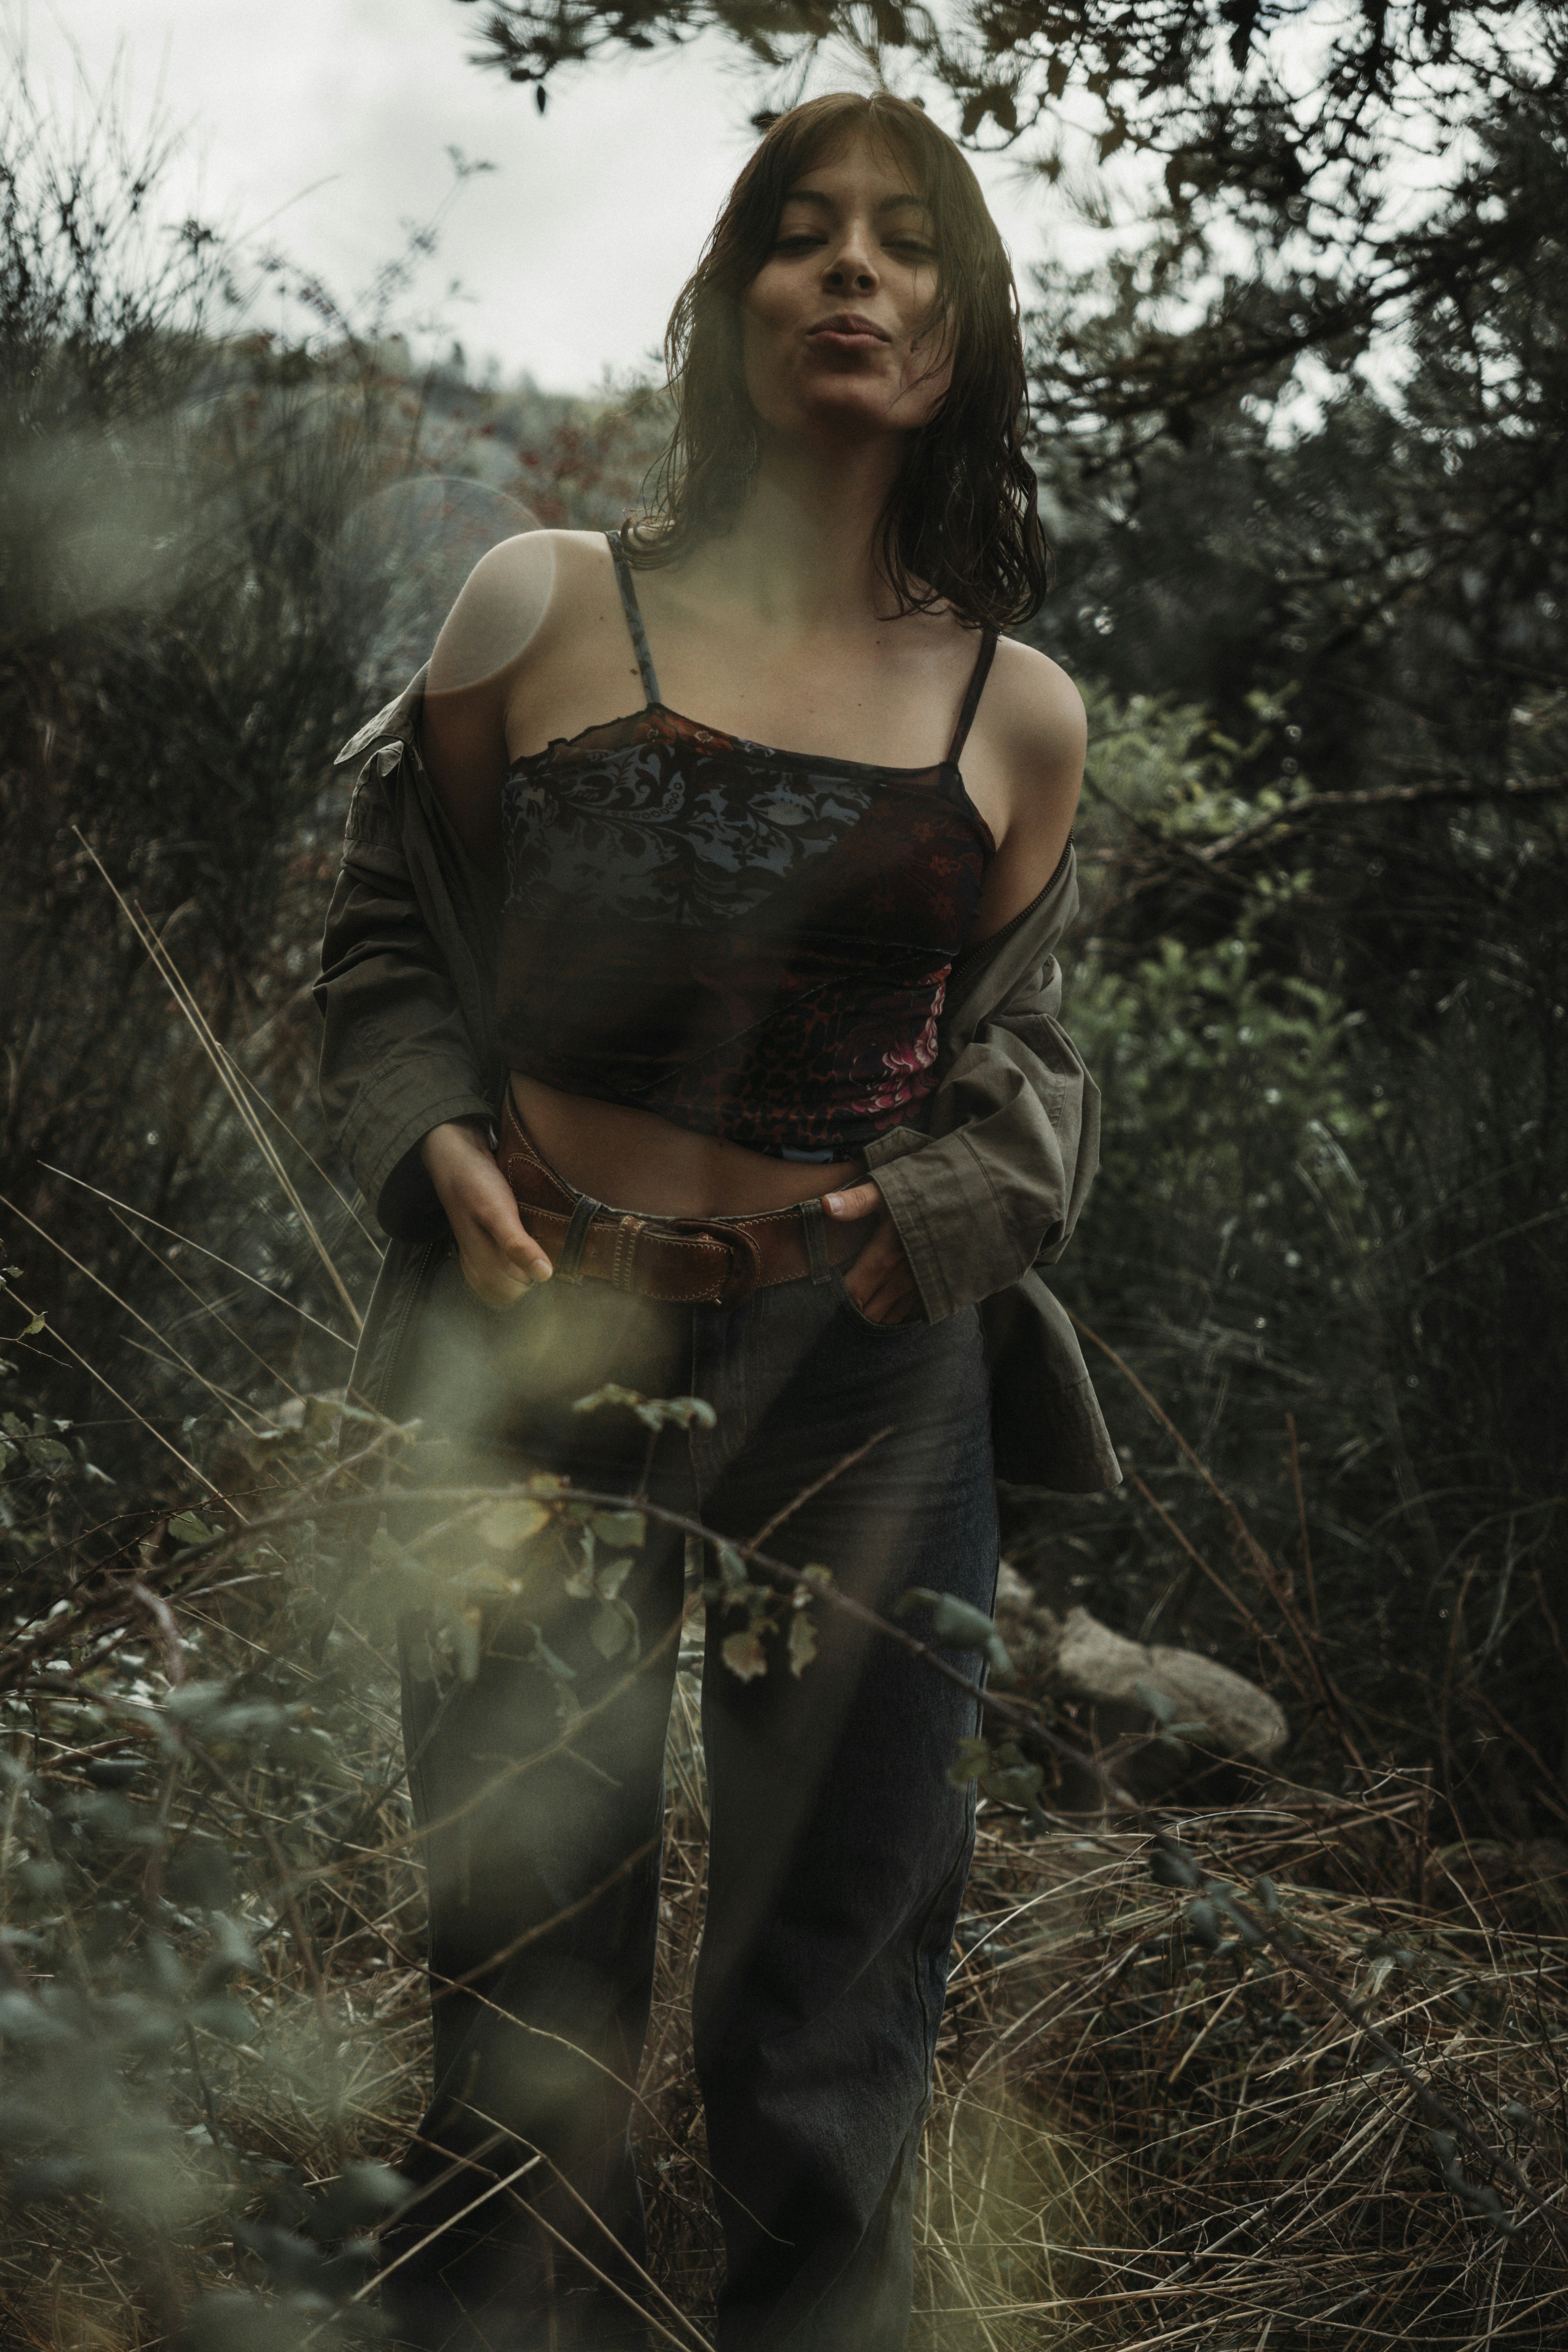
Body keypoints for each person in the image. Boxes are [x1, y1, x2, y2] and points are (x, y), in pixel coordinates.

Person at [316, 88, 1118, 2352]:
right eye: (801, 233)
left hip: (862, 1376)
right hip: (535, 1334)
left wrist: (935, 1211)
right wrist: (436, 1148)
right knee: (520, 1947)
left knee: (836, 1969)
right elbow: (387, 949)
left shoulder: (1016, 712)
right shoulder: (543, 605)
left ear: (957, 339)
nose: (850, 269)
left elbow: (1035, 1067)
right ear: (736, 303)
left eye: (904, 245)